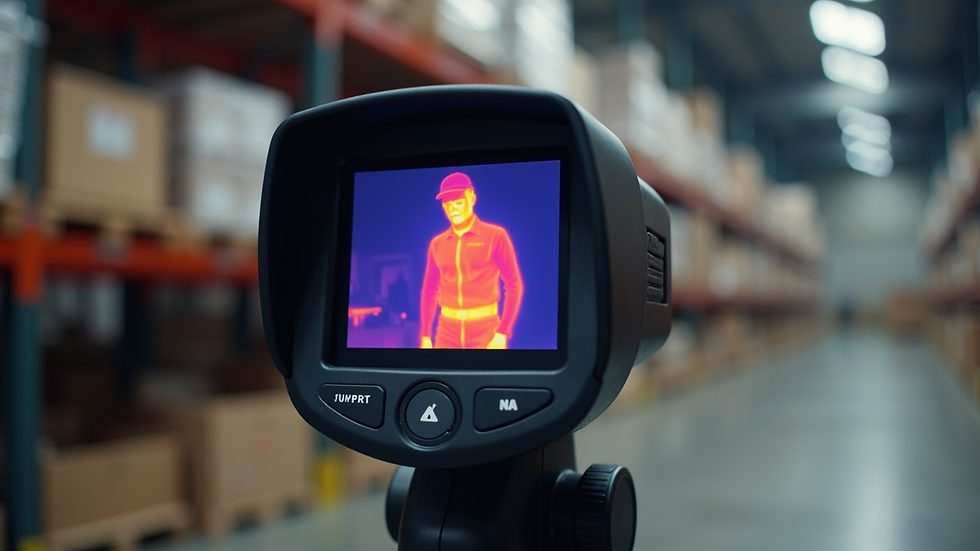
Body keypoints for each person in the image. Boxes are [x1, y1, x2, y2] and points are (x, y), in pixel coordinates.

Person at [419, 172, 523, 349]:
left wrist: (502, 332)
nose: (453, 209)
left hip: (486, 330)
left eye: (459, 202)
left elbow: (514, 284)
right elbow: (429, 291)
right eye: (448, 205)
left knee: (487, 377)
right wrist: (425, 335)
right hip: (446, 332)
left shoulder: (496, 236)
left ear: (472, 198)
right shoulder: (437, 244)